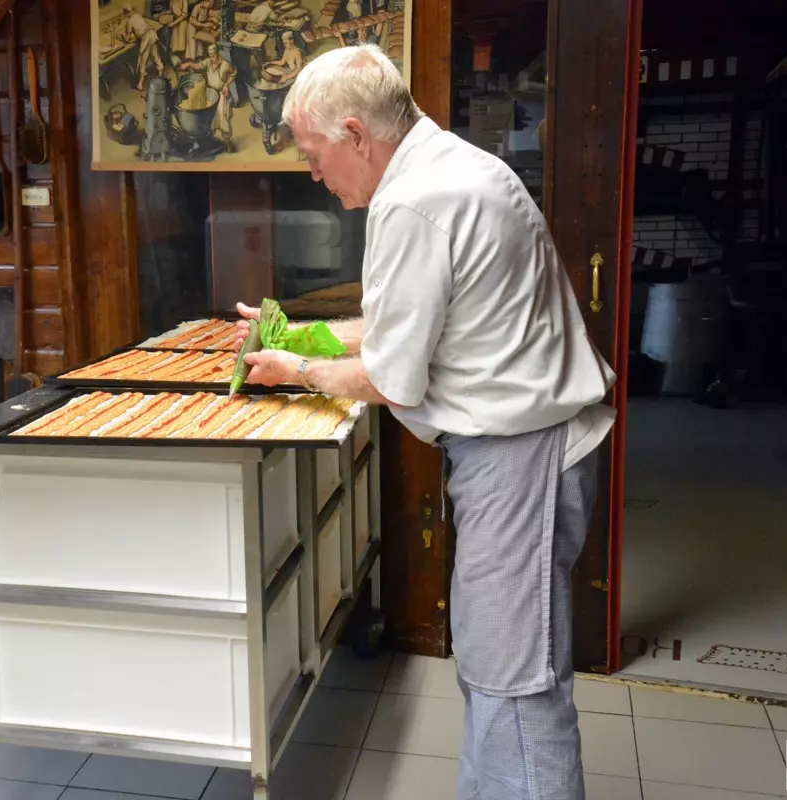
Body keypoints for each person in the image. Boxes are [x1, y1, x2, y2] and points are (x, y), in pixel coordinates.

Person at [233, 43, 616, 800]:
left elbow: (391, 377)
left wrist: (295, 372)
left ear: (354, 134)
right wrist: (299, 336)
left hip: (520, 457)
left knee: (514, 686)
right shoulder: (448, 168)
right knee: (496, 670)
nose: (313, 174)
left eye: (312, 155)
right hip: (521, 450)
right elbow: (407, 325)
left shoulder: (416, 200)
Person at [180, 47, 237, 148]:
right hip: (210, 93)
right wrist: (189, 64)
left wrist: (226, 85)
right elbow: (198, 66)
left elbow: (233, 74)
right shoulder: (208, 62)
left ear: (218, 54)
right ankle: (211, 139)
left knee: (223, 116)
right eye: (210, 56)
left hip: (221, 94)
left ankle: (227, 141)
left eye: (213, 56)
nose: (211, 58)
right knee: (210, 116)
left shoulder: (225, 64)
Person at [118, 6, 166, 93]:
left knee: (143, 60)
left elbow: (127, 39)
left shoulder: (129, 21)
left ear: (126, 13)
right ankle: (160, 77)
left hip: (146, 38)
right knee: (155, 56)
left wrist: (122, 36)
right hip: (152, 34)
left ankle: (140, 84)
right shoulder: (138, 15)